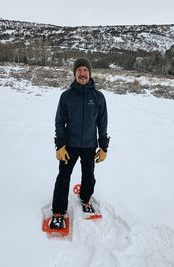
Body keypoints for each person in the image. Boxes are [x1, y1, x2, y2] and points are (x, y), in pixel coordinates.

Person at [50, 57, 110, 229]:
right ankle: (58, 211)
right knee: (63, 177)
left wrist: (103, 146)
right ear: (74, 74)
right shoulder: (66, 96)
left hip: (90, 145)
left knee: (89, 175)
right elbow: (59, 122)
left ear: (90, 73)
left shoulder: (98, 97)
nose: (82, 73)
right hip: (70, 145)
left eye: (85, 70)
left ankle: (85, 199)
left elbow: (102, 123)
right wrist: (60, 145)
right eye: (79, 70)